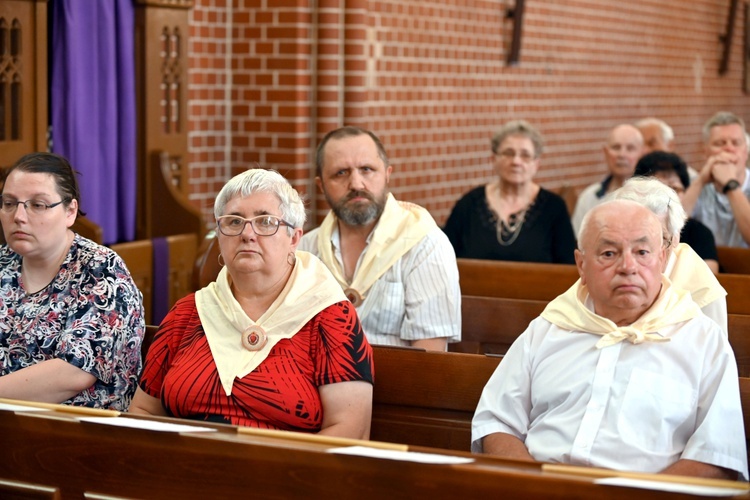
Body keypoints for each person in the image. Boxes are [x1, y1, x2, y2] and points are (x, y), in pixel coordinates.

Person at [472, 199, 747, 480]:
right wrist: (533, 487)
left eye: (642, 252)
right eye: (608, 253)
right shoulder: (549, 327)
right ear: (581, 264)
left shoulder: (702, 340)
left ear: (662, 260)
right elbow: (497, 421)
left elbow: (717, 456)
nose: (628, 266)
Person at [130, 168, 374, 438]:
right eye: (234, 221)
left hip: (286, 472)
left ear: (294, 238)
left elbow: (350, 429)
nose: (247, 234)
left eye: (265, 221)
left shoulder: (329, 316)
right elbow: (144, 411)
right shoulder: (189, 313)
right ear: (220, 235)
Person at [0, 152, 145, 410]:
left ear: (70, 211)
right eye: (10, 203)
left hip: (78, 435)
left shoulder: (101, 270)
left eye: (38, 204)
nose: (19, 216)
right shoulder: (4, 261)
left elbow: (73, 373)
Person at [298, 126, 461, 352]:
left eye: (367, 169)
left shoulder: (424, 244)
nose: (356, 184)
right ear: (321, 185)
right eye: (341, 173)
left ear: (387, 174)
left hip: (396, 384)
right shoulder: (305, 249)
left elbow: (430, 357)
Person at [442, 120, 576, 264]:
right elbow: (444, 258)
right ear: (493, 159)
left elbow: (568, 267)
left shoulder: (554, 208)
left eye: (525, 155)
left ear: (536, 163)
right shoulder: (469, 204)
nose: (516, 161)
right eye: (508, 153)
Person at [609, 176, 727, 335]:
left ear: (676, 237)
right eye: (628, 241)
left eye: (659, 239)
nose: (633, 263)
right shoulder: (602, 269)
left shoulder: (702, 290)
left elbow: (712, 355)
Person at [631, 151, 720, 273]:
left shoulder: (699, 232)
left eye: (675, 189)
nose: (668, 197)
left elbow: (708, 277)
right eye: (659, 190)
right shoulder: (628, 231)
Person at [682, 111, 750, 248]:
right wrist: (700, 181)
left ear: (746, 151)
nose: (729, 148)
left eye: (736, 143)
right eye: (720, 143)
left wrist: (730, 185)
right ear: (706, 152)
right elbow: (671, 228)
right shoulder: (694, 185)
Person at [570, 124, 644, 234]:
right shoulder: (589, 197)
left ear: (642, 153)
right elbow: (577, 241)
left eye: (630, 148)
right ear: (605, 152)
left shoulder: (651, 196)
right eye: (616, 147)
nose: (622, 154)